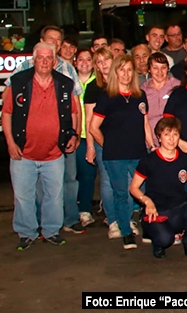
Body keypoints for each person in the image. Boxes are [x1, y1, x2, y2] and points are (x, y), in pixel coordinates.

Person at [2, 42, 80, 250]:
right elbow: (7, 112)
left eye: (49, 58)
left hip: (54, 153)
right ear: (33, 60)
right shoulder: (18, 82)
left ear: (55, 61)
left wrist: (74, 134)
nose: (45, 62)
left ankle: (51, 231)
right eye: (40, 58)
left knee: (54, 195)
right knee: (23, 195)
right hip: (23, 153)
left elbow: (73, 111)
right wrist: (10, 142)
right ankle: (27, 233)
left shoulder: (65, 83)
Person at [88, 55, 155, 249]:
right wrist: (107, 145)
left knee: (142, 191)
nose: (125, 74)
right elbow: (94, 127)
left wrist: (151, 145)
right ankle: (126, 232)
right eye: (122, 69)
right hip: (115, 156)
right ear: (116, 72)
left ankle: (148, 227)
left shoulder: (139, 95)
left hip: (138, 152)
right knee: (121, 194)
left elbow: (145, 123)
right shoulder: (107, 97)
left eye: (129, 70)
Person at [129, 117, 187, 260]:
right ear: (159, 138)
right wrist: (147, 201)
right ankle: (156, 239)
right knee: (165, 240)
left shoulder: (185, 160)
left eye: (175, 135)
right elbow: (134, 188)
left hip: (177, 210)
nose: (171, 139)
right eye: (167, 135)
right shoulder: (149, 161)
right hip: (156, 212)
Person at [84, 47, 126, 239]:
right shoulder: (93, 88)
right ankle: (113, 221)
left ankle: (124, 218)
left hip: (125, 141)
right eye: (99, 62)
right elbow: (89, 120)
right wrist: (92, 146)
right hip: (103, 143)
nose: (103, 64)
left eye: (106, 60)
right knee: (108, 182)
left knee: (124, 182)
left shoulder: (124, 81)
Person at [5, 25, 83, 97]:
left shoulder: (68, 68)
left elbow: (75, 100)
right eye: (50, 38)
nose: (55, 42)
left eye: (58, 39)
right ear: (41, 41)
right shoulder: (27, 65)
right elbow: (6, 95)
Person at [74, 48, 98, 228]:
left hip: (91, 136)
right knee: (70, 177)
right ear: (75, 62)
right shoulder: (69, 80)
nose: (84, 63)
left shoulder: (98, 82)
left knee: (88, 175)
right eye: (80, 59)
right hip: (74, 135)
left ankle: (85, 209)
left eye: (88, 59)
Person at [142, 52, 180, 145]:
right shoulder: (142, 91)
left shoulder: (178, 87)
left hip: (174, 142)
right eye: (155, 68)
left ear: (168, 68)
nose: (160, 71)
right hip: (150, 143)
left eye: (163, 67)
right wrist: (151, 145)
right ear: (149, 69)